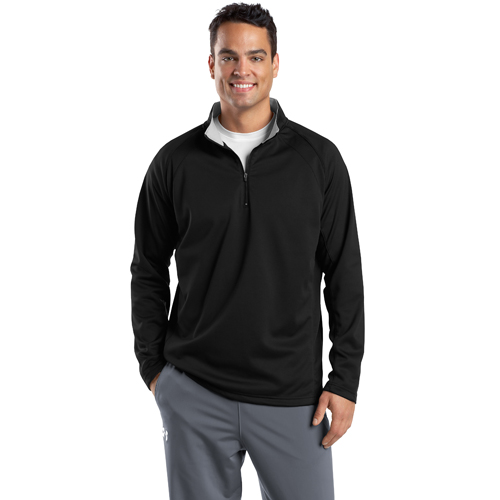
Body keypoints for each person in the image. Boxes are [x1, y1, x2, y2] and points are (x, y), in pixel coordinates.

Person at [130, 3, 365, 499]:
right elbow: (148, 267)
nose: (243, 70)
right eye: (229, 57)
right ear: (211, 64)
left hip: (295, 399)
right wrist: (154, 370)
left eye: (256, 57)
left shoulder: (318, 160)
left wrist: (344, 380)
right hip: (195, 392)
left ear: (276, 64)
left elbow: (344, 274)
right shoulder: (174, 163)